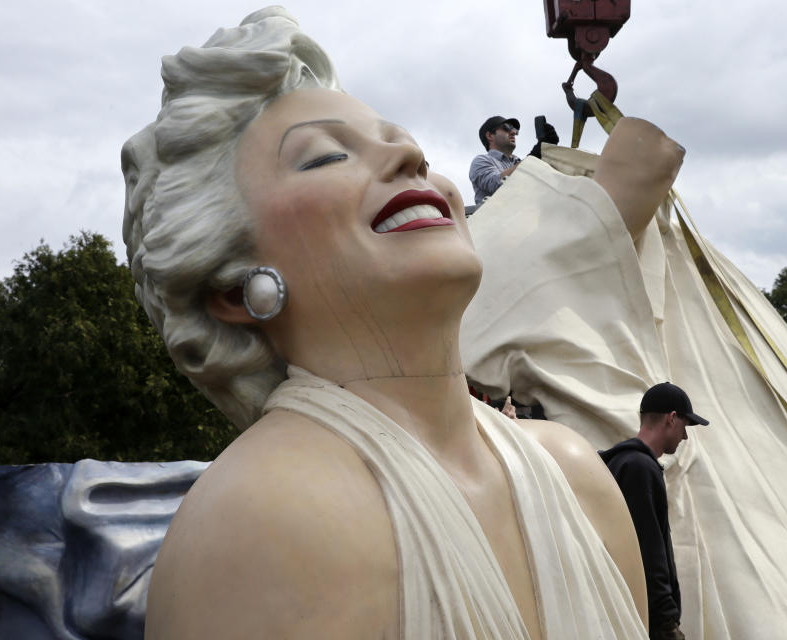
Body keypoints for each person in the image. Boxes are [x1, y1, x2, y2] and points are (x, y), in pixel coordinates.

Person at [123, 7, 686, 639]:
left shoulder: (575, 473)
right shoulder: (254, 522)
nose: (408, 154)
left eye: (399, 136)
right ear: (232, 288)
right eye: (324, 157)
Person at [599, 383, 710, 640]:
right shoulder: (640, 468)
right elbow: (648, 547)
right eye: (685, 426)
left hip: (624, 609)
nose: (685, 437)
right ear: (672, 419)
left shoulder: (620, 461)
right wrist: (666, 619)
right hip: (645, 615)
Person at [469, 115, 521, 205]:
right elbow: (496, 184)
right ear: (489, 136)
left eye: (515, 130)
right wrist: (531, 159)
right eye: (506, 128)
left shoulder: (518, 162)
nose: (513, 132)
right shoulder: (480, 161)